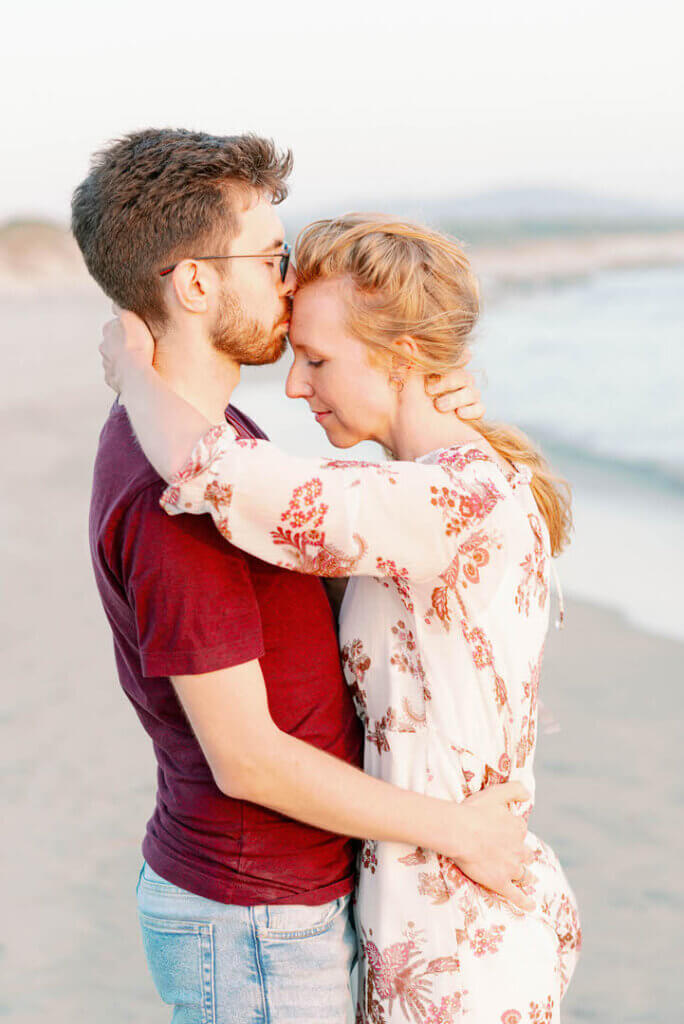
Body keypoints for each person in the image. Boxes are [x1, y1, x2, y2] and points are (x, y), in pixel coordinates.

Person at [74, 129, 533, 1024]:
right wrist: (458, 830)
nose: (284, 287)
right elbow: (246, 759)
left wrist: (438, 426)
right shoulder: (184, 491)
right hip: (259, 912)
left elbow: (336, 529)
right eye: (271, 256)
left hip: (320, 904)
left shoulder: (232, 451)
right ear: (197, 282)